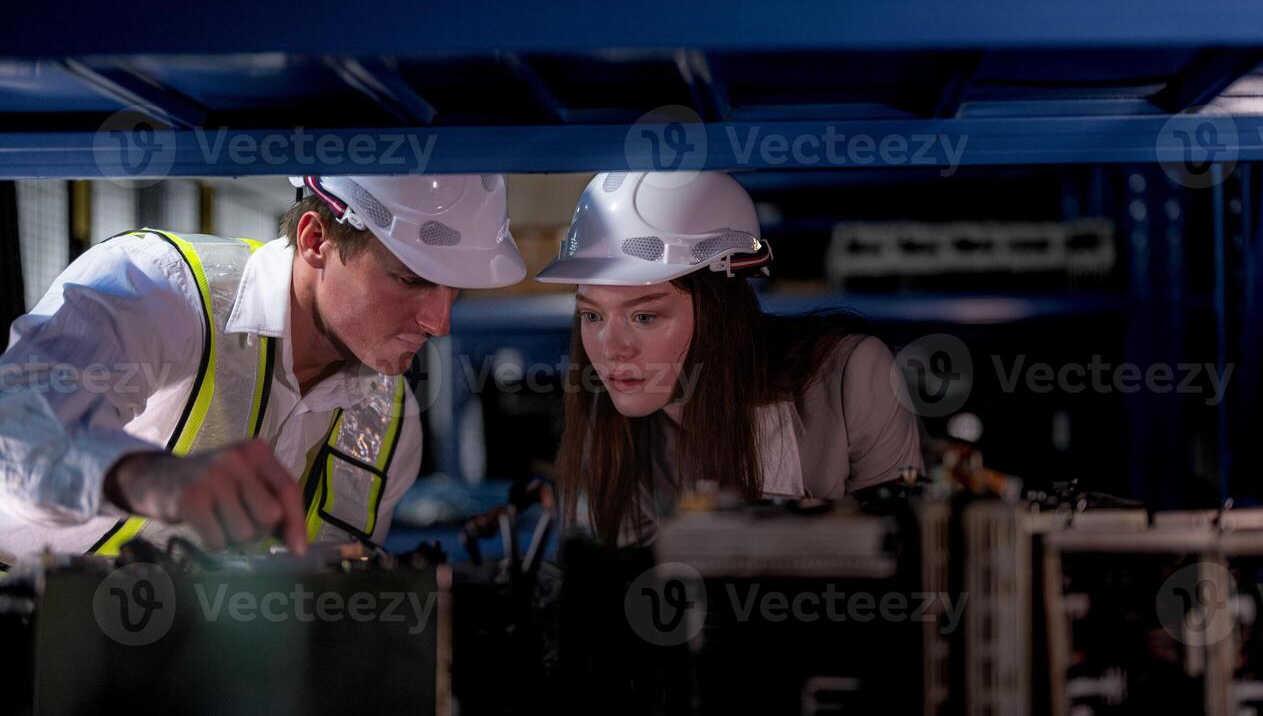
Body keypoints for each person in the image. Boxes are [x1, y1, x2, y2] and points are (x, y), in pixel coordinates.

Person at [0, 174, 525, 564]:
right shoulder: (159, 289)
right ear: (316, 239)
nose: (440, 322)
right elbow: (17, 431)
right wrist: (154, 478)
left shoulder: (392, 422)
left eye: (456, 291)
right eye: (412, 281)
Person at [536, 170, 924, 545]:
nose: (611, 348)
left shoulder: (850, 379)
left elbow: (908, 564)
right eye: (592, 315)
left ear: (720, 308)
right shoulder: (614, 437)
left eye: (644, 316)